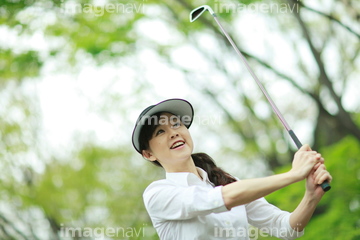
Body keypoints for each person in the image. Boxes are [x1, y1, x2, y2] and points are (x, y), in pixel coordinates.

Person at [131, 98, 332, 240]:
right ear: (149, 154)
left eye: (176, 124)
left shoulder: (226, 181)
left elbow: (287, 228)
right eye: (160, 131)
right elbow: (222, 199)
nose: (173, 133)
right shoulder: (157, 194)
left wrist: (311, 197)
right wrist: (293, 175)